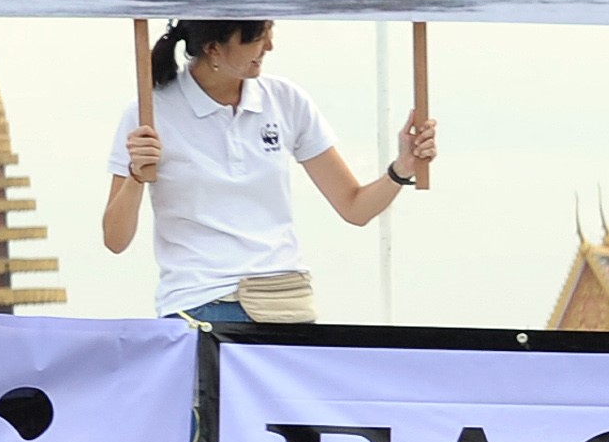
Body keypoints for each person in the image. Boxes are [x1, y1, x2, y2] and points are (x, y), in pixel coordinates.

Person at [99, 20, 431, 322]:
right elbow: (115, 240)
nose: (270, 45)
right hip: (200, 306)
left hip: (286, 303)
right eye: (258, 37)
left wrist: (402, 168)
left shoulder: (287, 100)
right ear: (214, 48)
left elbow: (355, 208)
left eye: (270, 30)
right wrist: (136, 176)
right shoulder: (147, 113)